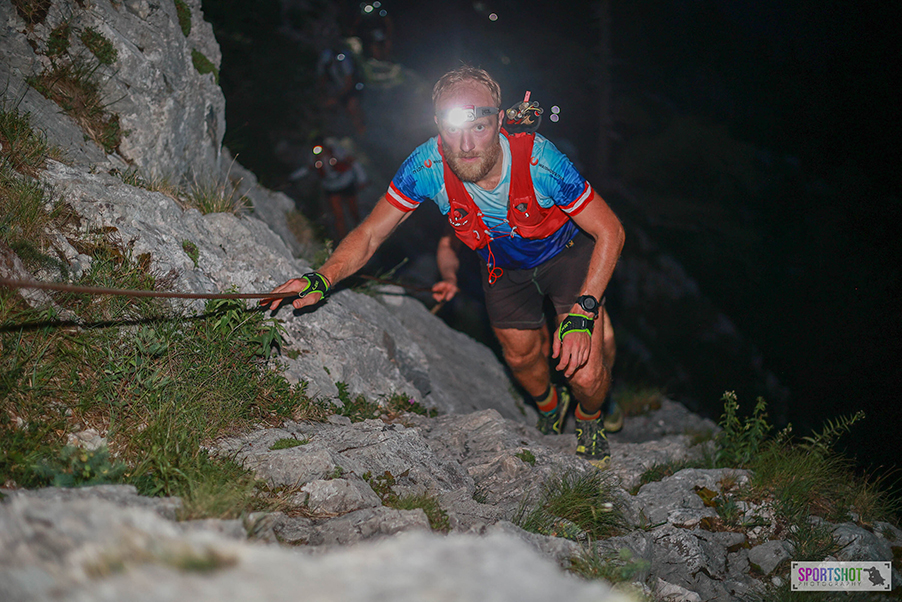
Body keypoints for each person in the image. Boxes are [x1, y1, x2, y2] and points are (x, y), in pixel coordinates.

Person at [264, 67, 625, 469]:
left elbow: (609, 229)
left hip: (565, 254)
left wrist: (585, 307)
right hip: (503, 267)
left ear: (500, 120)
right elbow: (369, 234)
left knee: (587, 374)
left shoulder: (540, 161)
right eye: (453, 130)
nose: (466, 145)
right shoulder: (425, 166)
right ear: (437, 125)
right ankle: (550, 407)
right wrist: (322, 276)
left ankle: (589, 418)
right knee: (521, 358)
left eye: (480, 127)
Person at [289, 136, 368, 240]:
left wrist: (362, 179)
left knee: (353, 211)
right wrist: (291, 178)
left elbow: (354, 163)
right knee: (338, 215)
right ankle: (343, 241)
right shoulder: (314, 157)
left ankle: (361, 235)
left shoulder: (337, 151)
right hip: (331, 187)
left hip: (346, 182)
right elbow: (307, 169)